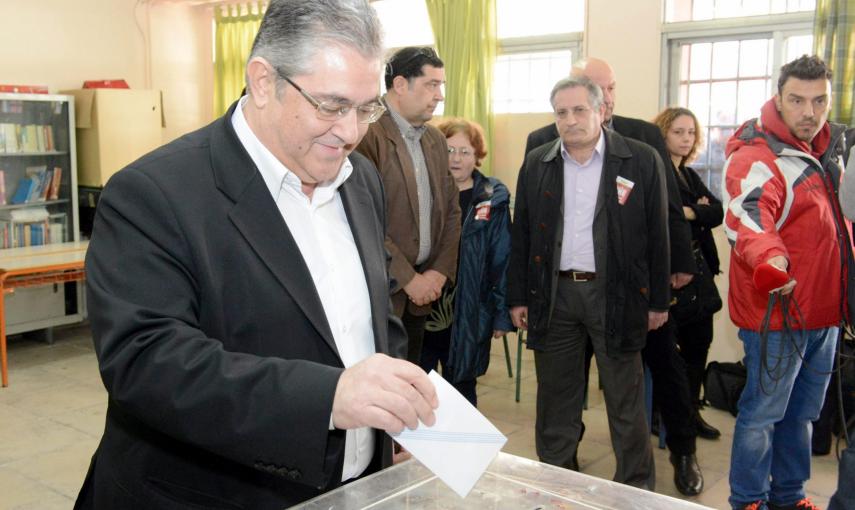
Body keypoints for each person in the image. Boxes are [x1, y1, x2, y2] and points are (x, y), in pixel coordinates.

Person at [73, 1, 440, 508]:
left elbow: (373, 319)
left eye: (366, 107)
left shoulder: (361, 184)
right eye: (332, 105)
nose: (352, 132)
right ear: (263, 81)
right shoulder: (154, 193)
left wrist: (391, 424)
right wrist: (328, 398)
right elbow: (147, 363)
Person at [523, 57, 704, 496]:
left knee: (625, 401)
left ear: (600, 109)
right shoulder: (538, 162)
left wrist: (658, 302)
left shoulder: (639, 158)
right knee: (556, 399)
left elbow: (659, 236)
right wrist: (519, 297)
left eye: (579, 110)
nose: (570, 120)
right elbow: (523, 235)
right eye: (561, 113)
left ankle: (634, 490)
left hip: (619, 296)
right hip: (556, 296)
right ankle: (557, 483)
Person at [722, 54, 848, 510]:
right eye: (797, 100)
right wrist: (772, 261)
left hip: (824, 314)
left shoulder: (828, 152)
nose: (809, 112)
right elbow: (748, 217)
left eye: (819, 101)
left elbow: (840, 228)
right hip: (777, 314)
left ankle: (789, 497)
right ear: (779, 98)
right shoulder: (759, 154)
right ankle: (749, 500)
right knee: (762, 416)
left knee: (803, 417)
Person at [356, 46, 461, 364]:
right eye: (432, 84)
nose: (439, 95)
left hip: (424, 289)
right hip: (382, 291)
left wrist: (438, 273)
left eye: (440, 85)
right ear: (400, 84)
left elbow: (453, 211)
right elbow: (363, 219)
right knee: (381, 390)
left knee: (410, 379)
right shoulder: (367, 133)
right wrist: (409, 279)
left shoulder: (435, 139)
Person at [419, 118, 513, 406]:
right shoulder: (424, 189)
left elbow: (502, 258)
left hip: (470, 310)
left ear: (477, 157)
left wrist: (501, 315)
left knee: (461, 390)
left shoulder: (492, 199)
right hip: (424, 307)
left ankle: (460, 450)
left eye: (465, 152)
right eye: (449, 151)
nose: (456, 159)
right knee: (416, 385)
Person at [652, 106, 724, 440]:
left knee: (700, 345)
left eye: (691, 132)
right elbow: (666, 218)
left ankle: (691, 411)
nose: (685, 138)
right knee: (667, 355)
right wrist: (698, 211)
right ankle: (661, 415)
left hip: (699, 274)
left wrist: (690, 212)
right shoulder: (656, 171)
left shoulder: (690, 174)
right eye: (678, 131)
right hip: (668, 275)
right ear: (663, 132)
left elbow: (717, 212)